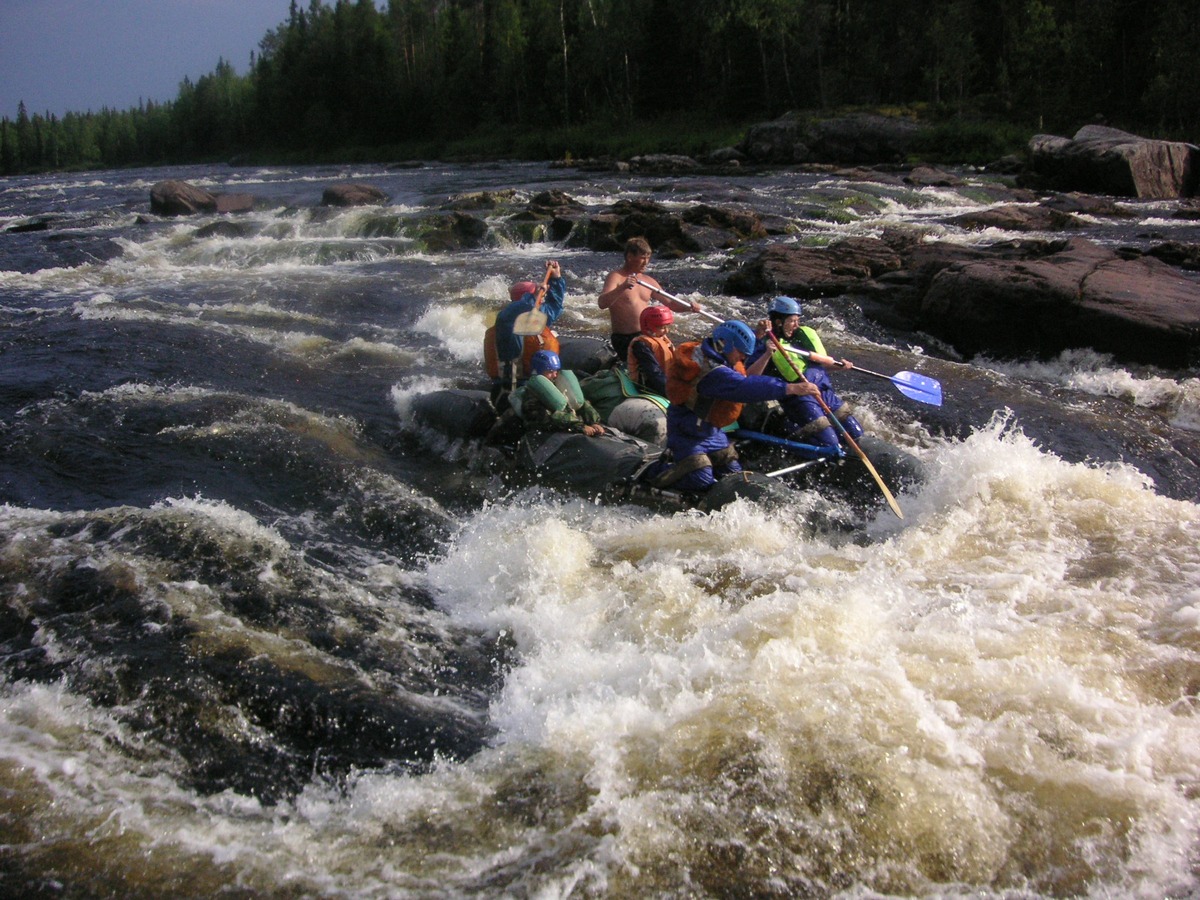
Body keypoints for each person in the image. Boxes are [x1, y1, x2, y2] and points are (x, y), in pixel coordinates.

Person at [654, 319, 820, 492]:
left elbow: (742, 365)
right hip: (687, 433)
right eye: (741, 353)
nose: (743, 358)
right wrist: (790, 388)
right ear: (724, 344)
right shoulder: (710, 372)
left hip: (711, 432)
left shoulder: (721, 356)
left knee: (734, 476)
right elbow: (745, 387)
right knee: (700, 480)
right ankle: (651, 474)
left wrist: (758, 336)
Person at [748, 295, 864, 448]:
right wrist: (767, 354)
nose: (796, 325)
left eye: (797, 320)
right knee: (830, 443)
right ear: (778, 322)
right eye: (792, 321)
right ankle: (789, 441)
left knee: (855, 432)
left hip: (823, 393)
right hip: (800, 400)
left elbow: (819, 366)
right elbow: (749, 376)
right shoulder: (765, 345)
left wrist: (840, 366)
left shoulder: (801, 338)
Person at [597, 237, 700, 360]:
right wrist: (623, 287)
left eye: (648, 257)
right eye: (642, 257)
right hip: (625, 338)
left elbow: (671, 303)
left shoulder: (648, 281)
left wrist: (689, 307)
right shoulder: (616, 277)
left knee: (673, 358)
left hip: (647, 336)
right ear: (630, 256)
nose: (646, 262)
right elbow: (602, 303)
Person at [485, 260, 565, 397]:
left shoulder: (501, 320)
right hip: (531, 383)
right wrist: (556, 278)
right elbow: (555, 306)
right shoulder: (534, 314)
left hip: (502, 383)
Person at [508, 350, 606, 437]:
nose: (555, 375)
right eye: (550, 372)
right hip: (543, 434)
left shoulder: (557, 386)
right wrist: (579, 426)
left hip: (570, 425)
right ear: (538, 372)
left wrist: (594, 422)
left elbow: (581, 404)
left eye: (555, 371)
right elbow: (546, 419)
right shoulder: (530, 396)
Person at [626, 304, 675, 396]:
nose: (666, 331)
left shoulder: (663, 339)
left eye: (667, 326)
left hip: (666, 379)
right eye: (662, 328)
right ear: (649, 327)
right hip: (648, 385)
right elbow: (654, 373)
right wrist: (671, 393)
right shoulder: (641, 345)